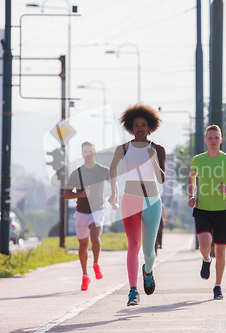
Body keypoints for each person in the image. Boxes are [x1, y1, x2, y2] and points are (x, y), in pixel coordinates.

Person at [109, 103, 166, 306]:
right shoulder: (123, 149)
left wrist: (154, 162)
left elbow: (161, 179)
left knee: (149, 252)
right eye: (136, 125)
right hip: (130, 201)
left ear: (149, 126)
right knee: (134, 244)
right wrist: (114, 192)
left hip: (152, 203)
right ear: (130, 127)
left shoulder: (157, 149)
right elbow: (112, 170)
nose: (140, 128)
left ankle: (147, 272)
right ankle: (133, 291)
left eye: (143, 125)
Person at [187, 124, 226, 300]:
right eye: (210, 138)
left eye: (216, 138)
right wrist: (191, 195)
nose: (213, 141)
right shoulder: (198, 159)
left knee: (220, 251)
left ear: (221, 140)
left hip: (222, 211)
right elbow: (191, 177)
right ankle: (206, 260)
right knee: (205, 244)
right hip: (202, 208)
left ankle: (217, 286)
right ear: (206, 140)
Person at [64, 142, 117, 291]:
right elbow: (66, 194)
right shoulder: (77, 173)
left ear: (95, 154)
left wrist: (115, 194)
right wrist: (80, 194)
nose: (88, 154)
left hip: (97, 210)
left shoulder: (102, 170)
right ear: (82, 154)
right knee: (83, 245)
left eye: (90, 151)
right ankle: (85, 276)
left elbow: (114, 181)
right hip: (81, 212)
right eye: (85, 151)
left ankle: (96, 264)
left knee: (95, 236)